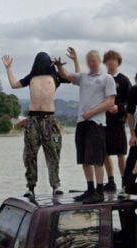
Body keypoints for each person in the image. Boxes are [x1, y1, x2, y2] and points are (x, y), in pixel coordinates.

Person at [3, 52, 78, 198]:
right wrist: (9, 68)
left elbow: (75, 78)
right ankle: (30, 186)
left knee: (53, 154)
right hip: (33, 120)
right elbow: (14, 85)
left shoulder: (56, 77)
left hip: (50, 120)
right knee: (30, 155)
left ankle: (55, 185)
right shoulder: (31, 77)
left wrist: (74, 60)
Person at [57, 48, 116, 204]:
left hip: (96, 122)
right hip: (81, 122)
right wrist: (59, 66)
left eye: (94, 61)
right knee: (84, 158)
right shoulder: (83, 77)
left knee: (97, 158)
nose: (92, 64)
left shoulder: (107, 78)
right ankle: (89, 189)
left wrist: (91, 113)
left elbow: (110, 102)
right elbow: (67, 75)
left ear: (99, 62)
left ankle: (99, 190)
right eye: (89, 61)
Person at [102, 50, 132, 193]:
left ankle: (125, 182)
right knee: (105, 153)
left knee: (121, 153)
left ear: (118, 62)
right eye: (108, 60)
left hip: (118, 121)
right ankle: (110, 181)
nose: (111, 62)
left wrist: (119, 108)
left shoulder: (124, 80)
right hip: (103, 120)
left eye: (113, 60)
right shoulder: (101, 79)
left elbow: (131, 101)